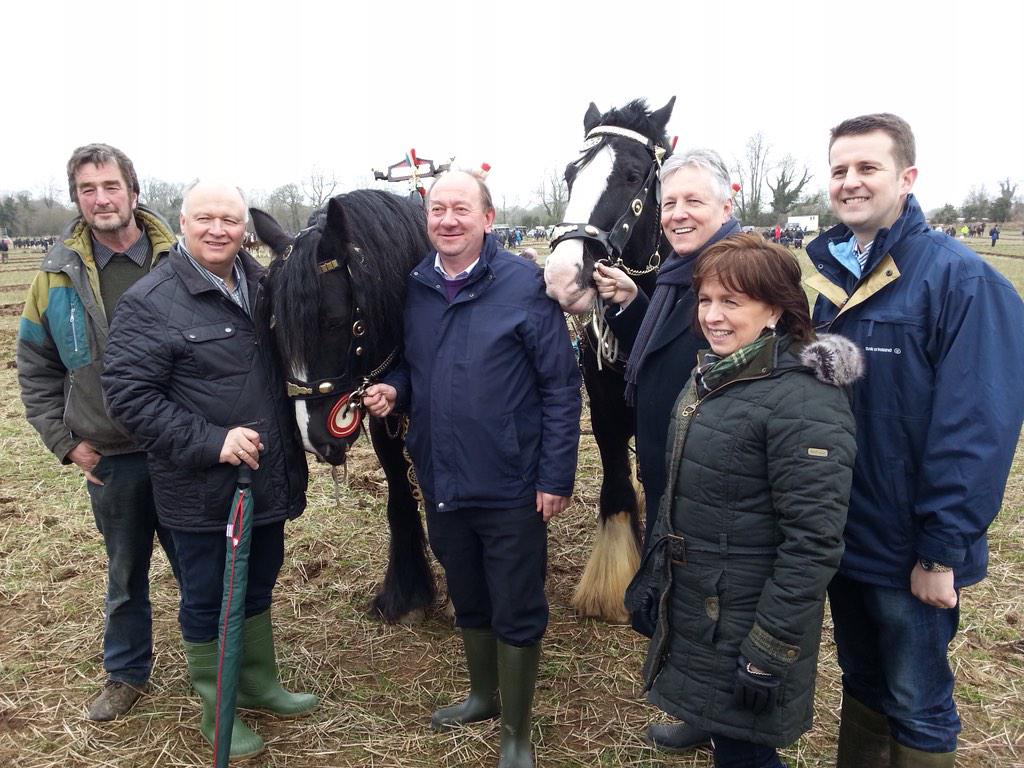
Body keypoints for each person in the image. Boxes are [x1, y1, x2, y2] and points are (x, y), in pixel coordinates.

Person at [806, 113, 1024, 767]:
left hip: (910, 549)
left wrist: (940, 551)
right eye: (839, 169)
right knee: (861, 678)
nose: (850, 181)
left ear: (907, 177)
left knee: (917, 699)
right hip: (845, 534)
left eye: (867, 167)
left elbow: (976, 430)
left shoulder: (962, 282)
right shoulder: (832, 278)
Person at [363, 170, 581, 768]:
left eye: (461, 209)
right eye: (438, 210)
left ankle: (516, 732)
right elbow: (414, 367)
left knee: (517, 602)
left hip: (513, 481)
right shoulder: (416, 287)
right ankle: (483, 696)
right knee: (466, 589)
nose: (448, 220)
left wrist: (555, 477)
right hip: (442, 477)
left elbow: (561, 387)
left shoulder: (525, 286)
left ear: (488, 219)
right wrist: (395, 390)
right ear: (426, 219)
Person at [101, 180, 314, 759]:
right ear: (182, 223)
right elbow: (129, 398)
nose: (218, 230)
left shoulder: (265, 285)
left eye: (230, 220)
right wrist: (212, 441)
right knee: (207, 595)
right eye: (205, 218)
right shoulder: (151, 301)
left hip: (266, 476)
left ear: (245, 228)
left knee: (260, 578)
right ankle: (217, 710)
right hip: (200, 487)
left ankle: (259, 683)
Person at [640, 233, 859, 768]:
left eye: (731, 302)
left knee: (747, 752)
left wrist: (769, 651)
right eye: (705, 299)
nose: (712, 316)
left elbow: (813, 542)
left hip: (748, 612)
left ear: (775, 310)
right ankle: (707, 723)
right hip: (706, 598)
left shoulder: (804, 401)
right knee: (723, 719)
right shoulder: (717, 372)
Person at [16, 143, 180, 722]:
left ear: (133, 191)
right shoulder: (54, 278)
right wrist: (66, 443)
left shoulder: (177, 261)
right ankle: (126, 672)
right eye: (88, 189)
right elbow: (35, 367)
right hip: (111, 456)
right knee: (126, 572)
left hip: (180, 448)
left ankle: (216, 665)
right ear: (77, 199)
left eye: (111, 186)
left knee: (199, 566)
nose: (101, 198)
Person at [592, 148, 740, 752]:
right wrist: (634, 304)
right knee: (688, 605)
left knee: (716, 610)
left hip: (714, 486)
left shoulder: (738, 276)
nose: (677, 213)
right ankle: (703, 713)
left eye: (693, 201)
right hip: (671, 475)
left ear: (727, 204)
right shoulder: (681, 276)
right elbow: (668, 354)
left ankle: (734, 737)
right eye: (670, 202)